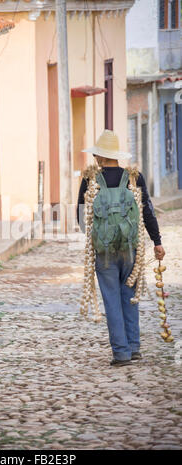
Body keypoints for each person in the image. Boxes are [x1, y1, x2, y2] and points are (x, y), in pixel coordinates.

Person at [77, 130, 165, 367]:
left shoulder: (90, 179)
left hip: (104, 252)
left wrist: (100, 234)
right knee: (130, 297)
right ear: (116, 155)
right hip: (131, 250)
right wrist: (157, 242)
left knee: (112, 300)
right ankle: (134, 348)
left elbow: (81, 217)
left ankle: (121, 354)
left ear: (99, 156)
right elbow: (147, 211)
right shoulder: (134, 177)